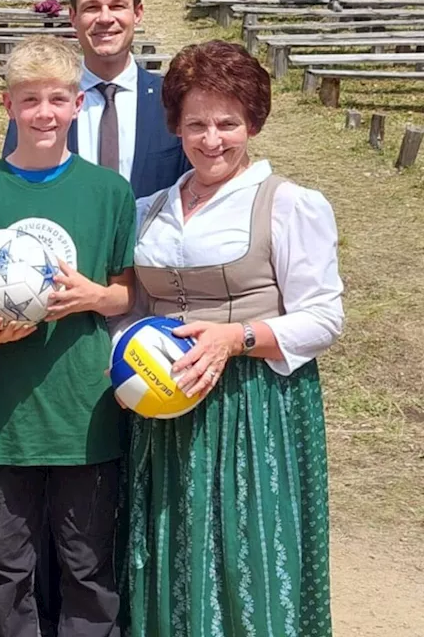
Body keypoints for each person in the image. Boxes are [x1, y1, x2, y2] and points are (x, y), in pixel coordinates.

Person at [123, 39, 344, 637]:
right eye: (196, 123)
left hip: (252, 406)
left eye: (228, 123)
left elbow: (324, 316)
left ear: (253, 123)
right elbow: (135, 306)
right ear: (176, 126)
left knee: (246, 546)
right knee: (173, 542)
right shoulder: (149, 208)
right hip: (164, 404)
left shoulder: (289, 204)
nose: (211, 138)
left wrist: (235, 337)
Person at [0, 36, 135, 637]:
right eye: (29, 100)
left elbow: (127, 291)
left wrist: (93, 297)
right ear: (8, 106)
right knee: (8, 570)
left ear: (78, 104)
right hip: (7, 420)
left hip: (84, 414)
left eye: (57, 98)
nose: (44, 112)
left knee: (87, 566)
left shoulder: (108, 192)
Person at [3, 0, 189, 199]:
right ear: (73, 17)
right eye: (92, 7)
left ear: (138, 13)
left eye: (117, 6)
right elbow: (14, 185)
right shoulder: (41, 107)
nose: (104, 18)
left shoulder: (172, 102)